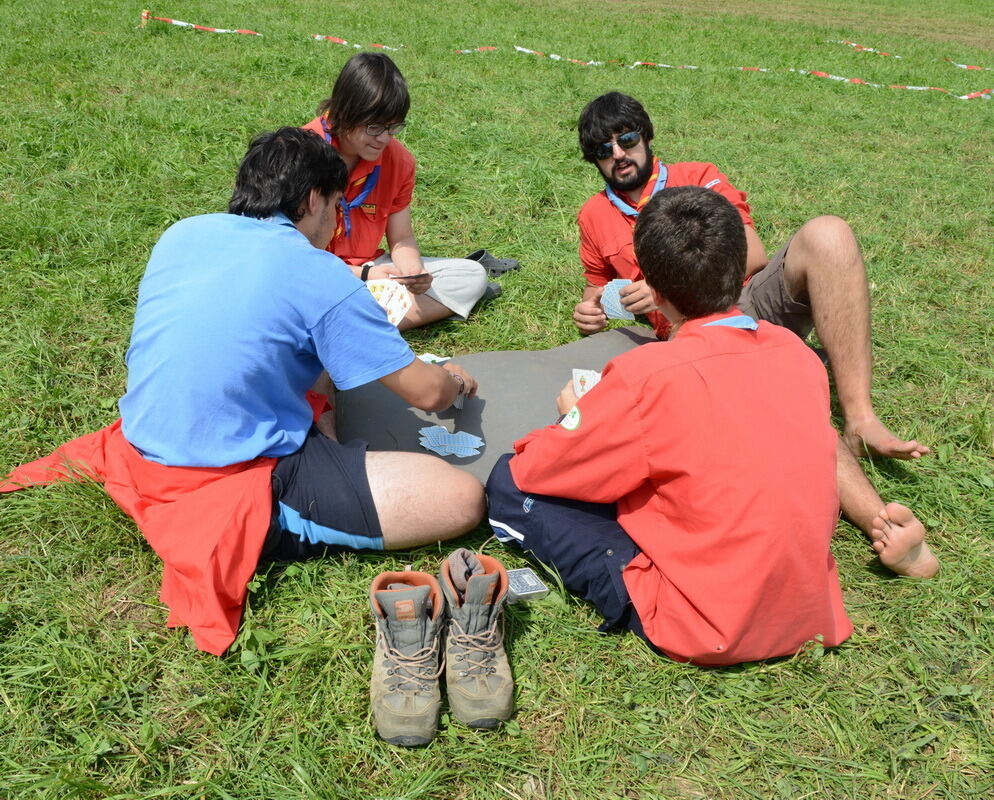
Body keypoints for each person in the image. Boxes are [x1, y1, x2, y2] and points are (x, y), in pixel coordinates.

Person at [1, 128, 485, 655]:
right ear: (312, 200)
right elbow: (428, 394)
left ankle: (317, 462)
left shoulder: (184, 233)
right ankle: (279, 520)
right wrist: (454, 379)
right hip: (226, 472)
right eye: (336, 206)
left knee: (317, 366)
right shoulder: (317, 271)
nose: (336, 223)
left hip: (145, 438)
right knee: (459, 498)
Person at [488, 186, 937, 665]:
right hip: (809, 610)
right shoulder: (796, 354)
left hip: (706, 625)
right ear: (740, 268)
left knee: (507, 482)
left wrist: (571, 417)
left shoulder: (645, 375)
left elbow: (540, 470)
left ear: (654, 291)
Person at [572, 92, 927, 461]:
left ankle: (861, 421)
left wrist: (664, 285)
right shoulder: (593, 215)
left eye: (627, 139)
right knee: (746, 412)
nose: (618, 154)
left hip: (745, 300)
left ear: (646, 136)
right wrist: (589, 313)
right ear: (594, 160)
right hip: (684, 334)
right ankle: (784, 379)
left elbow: (753, 254)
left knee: (829, 234)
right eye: (603, 150)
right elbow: (594, 288)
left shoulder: (698, 177)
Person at [302, 52, 493, 331]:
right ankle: (363, 322)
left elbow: (402, 238)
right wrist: (364, 275)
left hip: (373, 270)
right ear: (344, 112)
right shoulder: (303, 153)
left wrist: (412, 272)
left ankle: (350, 323)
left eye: (393, 127)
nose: (384, 138)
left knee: (471, 275)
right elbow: (291, 254)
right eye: (374, 127)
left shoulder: (399, 161)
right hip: (317, 271)